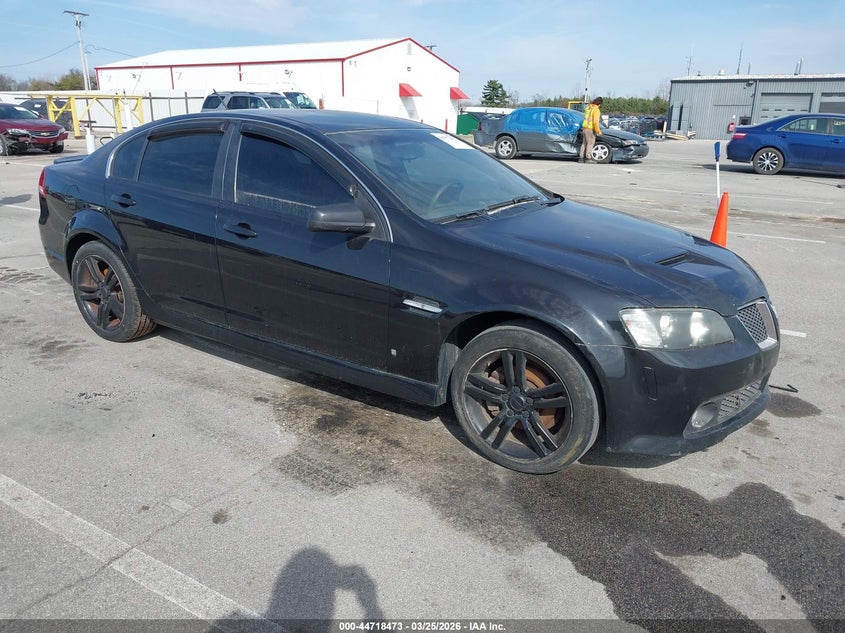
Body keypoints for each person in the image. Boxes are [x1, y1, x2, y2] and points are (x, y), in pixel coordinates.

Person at [578, 97, 603, 163]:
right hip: (590, 128)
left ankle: (581, 158)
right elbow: (595, 122)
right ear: (599, 104)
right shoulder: (596, 110)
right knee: (590, 143)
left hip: (585, 127)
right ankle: (588, 158)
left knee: (584, 143)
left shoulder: (588, 108)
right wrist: (598, 131)